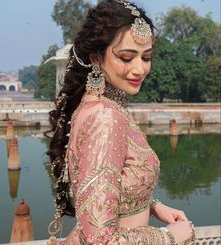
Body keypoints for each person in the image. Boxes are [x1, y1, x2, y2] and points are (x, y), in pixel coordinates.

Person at [47, 0, 195, 244]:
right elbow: (100, 240)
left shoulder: (99, 105)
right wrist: (169, 236)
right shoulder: (104, 117)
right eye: (126, 57)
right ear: (96, 58)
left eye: (146, 57)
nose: (139, 69)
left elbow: (116, 185)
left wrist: (153, 206)